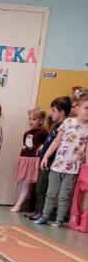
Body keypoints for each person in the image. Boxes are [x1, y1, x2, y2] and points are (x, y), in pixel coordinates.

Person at [34, 93, 88, 226]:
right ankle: (45, 216)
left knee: (64, 195)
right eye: (86, 108)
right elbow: (56, 142)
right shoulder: (68, 122)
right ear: (77, 108)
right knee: (51, 193)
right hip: (57, 166)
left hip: (72, 169)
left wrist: (85, 162)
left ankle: (59, 219)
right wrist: (46, 156)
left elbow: (86, 148)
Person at [26, 96, 72, 221]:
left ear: (61, 112)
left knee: (42, 187)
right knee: (39, 187)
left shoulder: (63, 127)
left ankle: (41, 212)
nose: (51, 113)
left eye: (53, 110)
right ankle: (37, 210)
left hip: (50, 161)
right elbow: (50, 141)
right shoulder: (56, 126)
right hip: (44, 159)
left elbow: (57, 144)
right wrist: (43, 146)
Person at [10, 108, 47, 213]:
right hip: (24, 159)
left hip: (32, 161)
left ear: (40, 120)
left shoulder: (43, 132)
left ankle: (18, 205)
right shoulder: (26, 133)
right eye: (30, 119)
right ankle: (18, 203)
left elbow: (48, 142)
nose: (31, 121)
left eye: (34, 119)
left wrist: (43, 145)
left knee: (26, 183)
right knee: (21, 182)